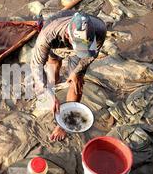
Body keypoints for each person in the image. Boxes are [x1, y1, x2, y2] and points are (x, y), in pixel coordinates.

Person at [30, 10, 107, 141]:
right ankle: (53, 87)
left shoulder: (99, 29)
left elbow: (91, 55)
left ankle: (65, 124)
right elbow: (36, 66)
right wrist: (48, 93)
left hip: (82, 53)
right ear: (68, 35)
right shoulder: (47, 36)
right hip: (56, 43)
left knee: (76, 82)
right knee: (53, 62)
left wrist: (78, 72)